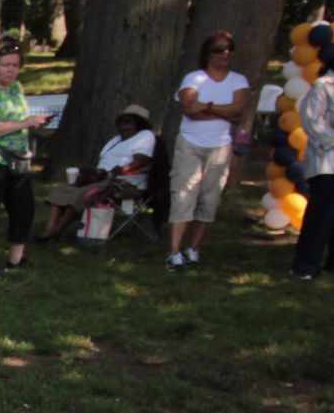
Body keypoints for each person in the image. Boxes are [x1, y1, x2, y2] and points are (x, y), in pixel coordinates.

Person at [166, 30, 250, 271]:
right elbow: (190, 109)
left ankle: (193, 249)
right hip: (190, 143)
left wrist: (208, 106)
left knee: (209, 197)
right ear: (207, 54)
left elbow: (238, 111)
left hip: (220, 146)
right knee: (184, 193)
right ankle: (174, 252)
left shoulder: (239, 81)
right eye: (218, 49)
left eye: (229, 48)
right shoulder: (193, 78)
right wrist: (222, 109)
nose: (225, 53)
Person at [0, 41, 50, 277]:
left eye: (15, 65)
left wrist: (35, 123)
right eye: (6, 65)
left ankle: (16, 257)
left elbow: (18, 118)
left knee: (24, 208)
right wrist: (24, 123)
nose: (11, 70)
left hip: (17, 157)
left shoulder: (16, 88)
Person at [36, 104, 156, 242]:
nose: (123, 126)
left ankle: (57, 232)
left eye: (128, 122)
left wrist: (121, 170)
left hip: (121, 181)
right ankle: (49, 229)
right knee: (63, 188)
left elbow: (140, 160)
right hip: (100, 176)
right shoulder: (116, 140)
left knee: (81, 194)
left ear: (139, 124)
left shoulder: (145, 136)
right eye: (121, 122)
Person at [293, 39, 334, 281]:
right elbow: (313, 121)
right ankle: (305, 265)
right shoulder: (324, 85)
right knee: (323, 216)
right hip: (331, 162)